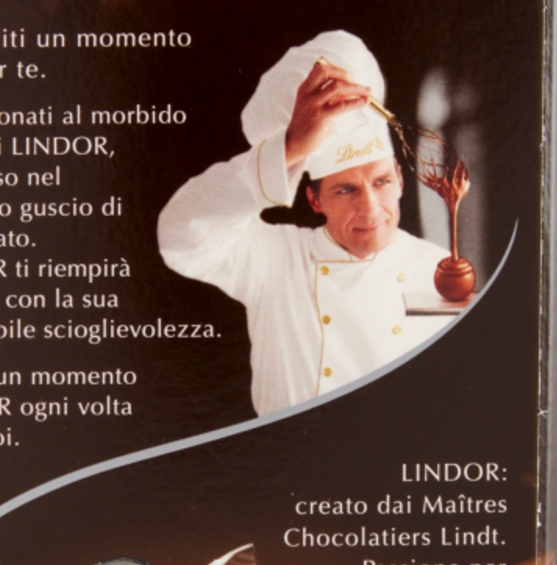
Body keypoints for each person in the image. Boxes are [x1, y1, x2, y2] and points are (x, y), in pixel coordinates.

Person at [158, 31, 459, 416]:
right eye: (346, 190)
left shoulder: (440, 269)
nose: (370, 208)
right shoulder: (276, 258)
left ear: (400, 179)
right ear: (314, 200)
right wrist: (290, 148)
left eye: (382, 182)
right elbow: (180, 233)